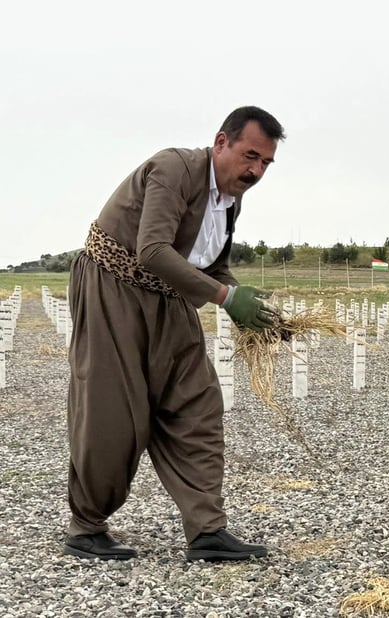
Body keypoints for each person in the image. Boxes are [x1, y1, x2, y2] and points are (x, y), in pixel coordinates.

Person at [65, 107, 284, 561]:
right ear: (220, 141)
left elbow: (212, 264)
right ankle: (86, 525)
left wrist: (249, 305)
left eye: (265, 163)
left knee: (197, 404)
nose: (256, 170)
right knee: (115, 411)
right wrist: (226, 298)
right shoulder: (173, 168)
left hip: (171, 299)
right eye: (250, 156)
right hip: (113, 288)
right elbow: (152, 250)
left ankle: (206, 530)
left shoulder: (229, 199)